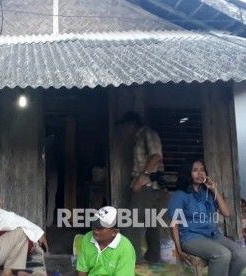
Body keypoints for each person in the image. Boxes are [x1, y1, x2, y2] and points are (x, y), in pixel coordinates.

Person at [168, 159, 246, 276]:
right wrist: (179, 250)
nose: (200, 174)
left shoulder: (207, 193)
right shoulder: (180, 195)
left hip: (212, 235)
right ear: (187, 173)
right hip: (191, 237)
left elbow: (226, 213)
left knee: (241, 254)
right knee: (223, 254)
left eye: (202, 170)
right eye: (195, 170)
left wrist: (214, 189)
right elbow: (174, 224)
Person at [116, 111, 164, 263]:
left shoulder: (147, 134)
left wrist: (143, 176)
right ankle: (153, 256)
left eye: (124, 126)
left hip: (147, 185)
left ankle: (133, 259)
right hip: (150, 186)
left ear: (130, 124)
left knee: (131, 222)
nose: (124, 131)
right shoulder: (138, 138)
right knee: (152, 222)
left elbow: (156, 156)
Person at [76, 206, 135, 275]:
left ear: (114, 232)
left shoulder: (125, 248)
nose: (95, 230)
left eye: (100, 228)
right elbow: (82, 269)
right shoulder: (87, 238)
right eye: (94, 225)